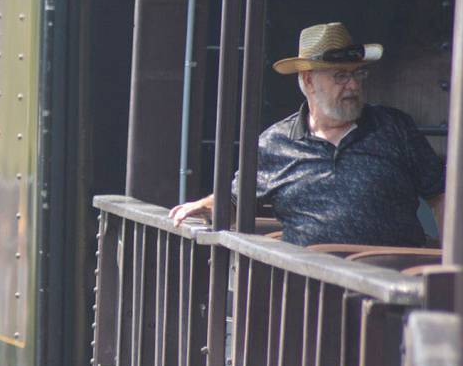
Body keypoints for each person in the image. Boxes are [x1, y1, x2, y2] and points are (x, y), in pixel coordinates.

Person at [169, 22, 445, 247]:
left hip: (388, 288)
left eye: (357, 74)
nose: (352, 85)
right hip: (308, 300)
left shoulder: (395, 128)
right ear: (309, 80)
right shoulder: (274, 143)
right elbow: (234, 203)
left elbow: (441, 195)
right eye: (340, 76)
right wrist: (205, 206)